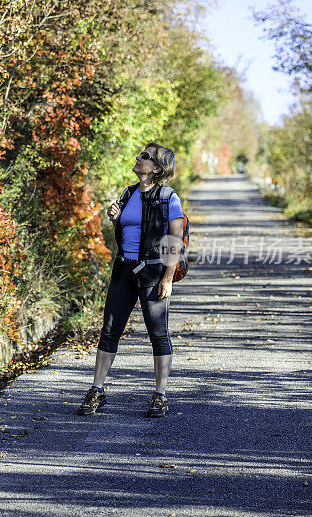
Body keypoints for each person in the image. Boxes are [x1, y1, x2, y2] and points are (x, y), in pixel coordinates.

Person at [78, 142, 185, 418]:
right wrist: (115, 218)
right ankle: (97, 391)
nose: (139, 159)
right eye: (141, 154)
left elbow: (174, 242)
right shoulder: (128, 193)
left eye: (145, 157)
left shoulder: (168, 197)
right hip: (124, 271)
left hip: (152, 273)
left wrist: (168, 279)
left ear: (157, 168)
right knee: (109, 331)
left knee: (158, 334)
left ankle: (160, 395)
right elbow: (124, 232)